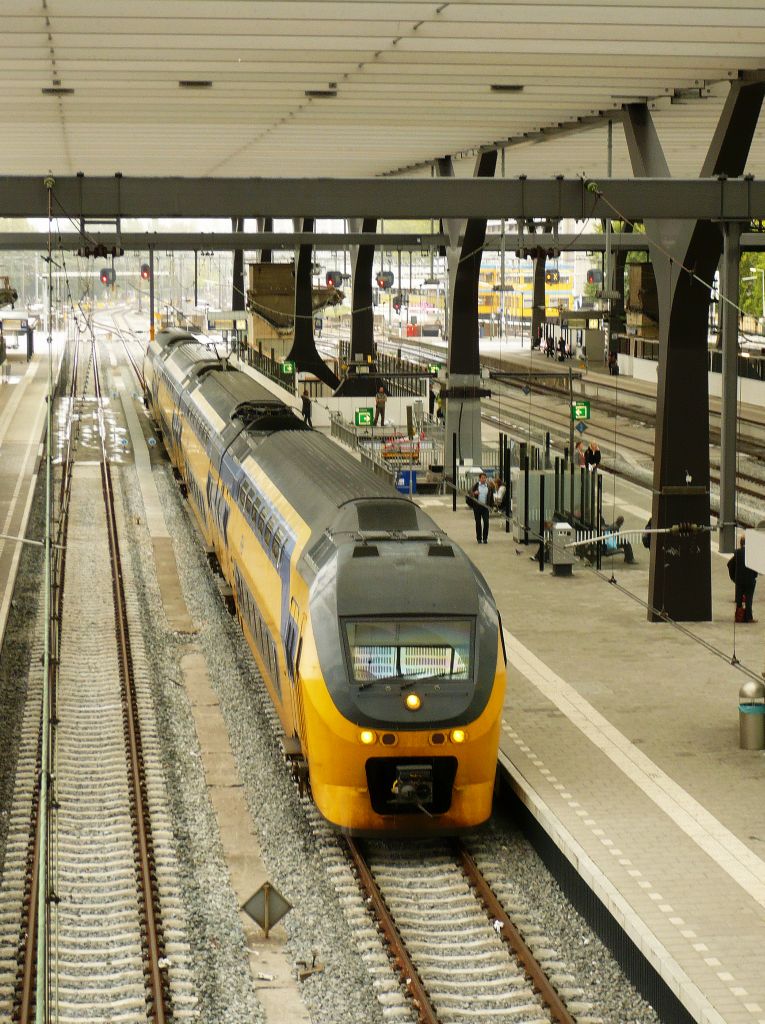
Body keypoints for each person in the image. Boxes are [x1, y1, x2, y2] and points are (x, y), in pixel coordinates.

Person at [728, 535, 757, 623]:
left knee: (739, 599)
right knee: (749, 599)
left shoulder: (737, 552)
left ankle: (738, 617)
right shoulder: (752, 553)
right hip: (749, 580)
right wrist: (754, 576)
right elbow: (755, 567)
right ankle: (749, 618)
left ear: (741, 543)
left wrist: (734, 577)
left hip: (739, 580)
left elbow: (730, 564)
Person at [470, 472, 493, 544]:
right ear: (479, 478)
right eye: (482, 478)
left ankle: (485, 538)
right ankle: (479, 538)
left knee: (486, 522)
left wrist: (491, 507)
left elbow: (491, 498)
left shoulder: (488, 487)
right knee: (478, 522)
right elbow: (469, 493)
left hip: (485, 507)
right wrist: (474, 493)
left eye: (485, 478)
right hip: (477, 507)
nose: (484, 479)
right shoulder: (476, 486)